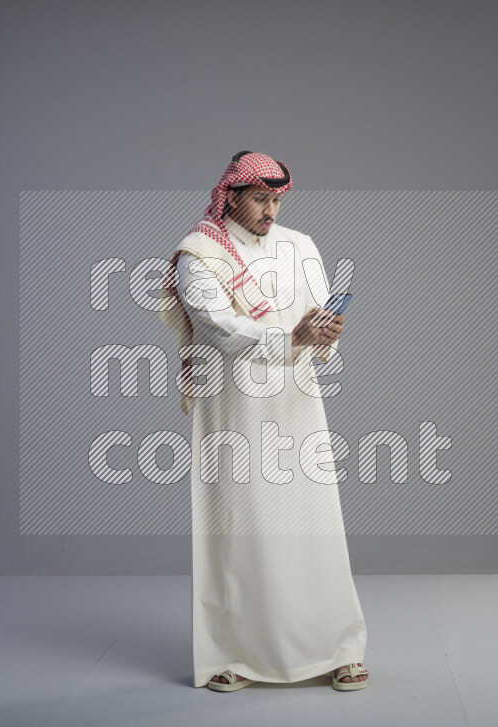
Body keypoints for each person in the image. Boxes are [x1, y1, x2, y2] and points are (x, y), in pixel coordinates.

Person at [158, 151, 368, 691]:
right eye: (260, 198)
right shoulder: (198, 254)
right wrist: (289, 338)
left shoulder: (301, 247)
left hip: (296, 401)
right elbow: (217, 327)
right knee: (240, 526)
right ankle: (234, 655)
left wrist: (325, 331)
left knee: (314, 522)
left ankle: (339, 647)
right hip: (232, 409)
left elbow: (319, 313)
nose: (271, 210)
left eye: (277, 200)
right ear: (230, 195)